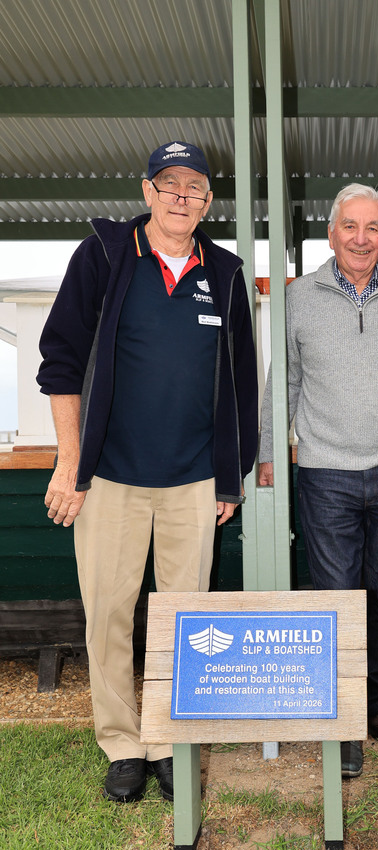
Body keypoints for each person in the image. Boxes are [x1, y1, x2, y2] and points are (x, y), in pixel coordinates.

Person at [37, 141, 258, 803]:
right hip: (108, 478)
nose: (181, 198)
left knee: (183, 622)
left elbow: (241, 380)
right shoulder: (104, 256)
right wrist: (70, 461)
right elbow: (60, 362)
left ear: (208, 201)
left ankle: (167, 741)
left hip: (193, 481)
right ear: (147, 192)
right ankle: (122, 743)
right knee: (108, 615)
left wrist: (230, 476)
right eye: (169, 185)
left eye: (194, 188)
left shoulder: (226, 272)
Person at [258, 183, 378, 778]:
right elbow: (283, 381)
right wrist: (269, 452)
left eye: (373, 227)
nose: (362, 238)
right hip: (325, 473)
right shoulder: (298, 297)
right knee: (335, 603)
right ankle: (342, 722)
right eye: (351, 226)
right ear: (331, 232)